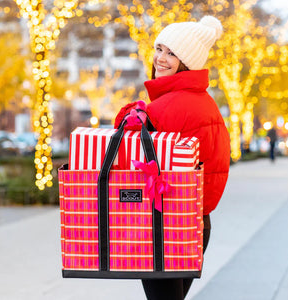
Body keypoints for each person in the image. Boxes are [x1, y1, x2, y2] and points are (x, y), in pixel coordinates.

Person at [114, 15, 231, 300]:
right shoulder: (206, 103)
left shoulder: (162, 108)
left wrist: (132, 115)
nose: (160, 58)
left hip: (164, 227)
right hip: (198, 224)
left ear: (187, 62)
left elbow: (125, 160)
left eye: (171, 53)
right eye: (159, 49)